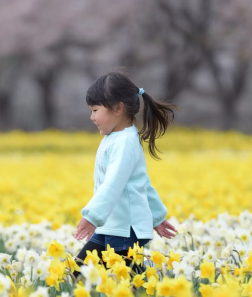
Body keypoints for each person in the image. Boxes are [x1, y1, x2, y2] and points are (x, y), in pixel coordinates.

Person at [74, 71, 177, 267]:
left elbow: (114, 183)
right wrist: (156, 216)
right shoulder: (114, 138)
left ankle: (166, 294)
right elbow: (141, 183)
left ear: (118, 108)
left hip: (123, 229)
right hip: (111, 226)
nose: (91, 117)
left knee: (126, 283)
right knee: (78, 272)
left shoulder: (125, 142)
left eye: (95, 110)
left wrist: (92, 216)